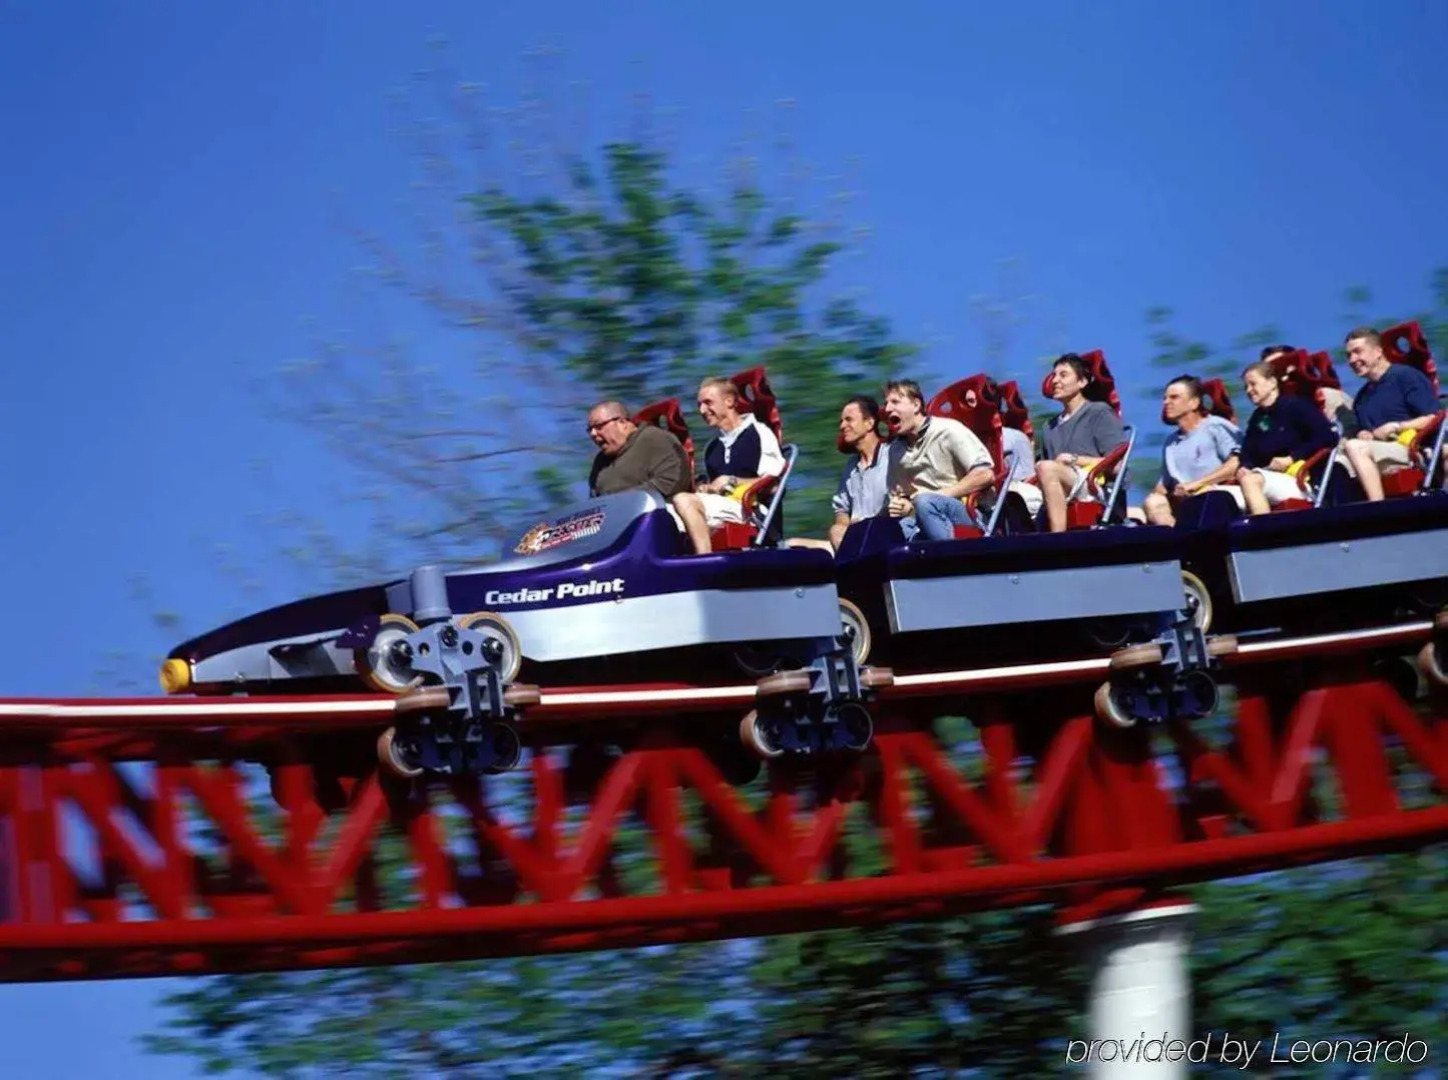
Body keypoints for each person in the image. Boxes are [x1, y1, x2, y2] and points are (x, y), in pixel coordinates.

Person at [671, 377, 787, 554]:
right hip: (723, 508)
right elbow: (716, 490)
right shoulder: (712, 447)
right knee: (663, 513)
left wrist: (731, 481)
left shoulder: (759, 433)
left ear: (730, 401)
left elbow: (774, 486)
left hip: (751, 511)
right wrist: (708, 488)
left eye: (708, 403)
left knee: (683, 500)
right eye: (699, 405)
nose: (702, 410)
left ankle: (704, 562)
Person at [881, 378, 994, 541]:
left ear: (916, 405)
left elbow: (985, 474)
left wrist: (938, 496)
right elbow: (901, 496)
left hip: (971, 514)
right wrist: (900, 505)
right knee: (887, 532)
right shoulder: (895, 451)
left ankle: (948, 559)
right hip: (921, 517)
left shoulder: (948, 430)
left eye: (895, 402)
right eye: (886, 404)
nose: (887, 408)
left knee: (926, 502)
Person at [1338, 326, 1440, 502]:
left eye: (1357, 352)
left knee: (1356, 447)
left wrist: (1397, 426)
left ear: (1378, 351)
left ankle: (1376, 508)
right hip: (1377, 452)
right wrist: (1364, 433)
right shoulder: (1361, 398)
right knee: (1337, 461)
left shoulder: (1405, 376)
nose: (1352, 360)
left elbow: (1434, 417)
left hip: (1409, 449)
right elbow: (1365, 434)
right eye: (1349, 355)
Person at [786, 395, 899, 553]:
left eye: (849, 419)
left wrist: (864, 526)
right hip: (853, 540)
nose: (842, 426)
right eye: (841, 421)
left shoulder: (892, 455)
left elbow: (901, 502)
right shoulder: (852, 466)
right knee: (791, 545)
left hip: (886, 537)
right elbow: (842, 510)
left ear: (869, 423)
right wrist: (842, 528)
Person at [1035, 353, 1127, 532]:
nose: (1054, 380)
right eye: (1053, 375)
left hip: (1095, 487)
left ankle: (1056, 540)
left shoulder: (1098, 412)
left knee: (1046, 468)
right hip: (1061, 487)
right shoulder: (1049, 426)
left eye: (1063, 375)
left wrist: (1073, 459)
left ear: (1082, 382)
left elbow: (1118, 466)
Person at [1235, 361, 1337, 515]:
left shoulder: (1296, 406)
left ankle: (1261, 534)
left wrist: (1292, 458)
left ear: (1272, 382)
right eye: (1246, 387)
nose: (1249, 390)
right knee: (1220, 495)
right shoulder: (1257, 419)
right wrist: (1244, 467)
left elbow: (1327, 436)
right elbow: (1247, 454)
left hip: (1300, 478)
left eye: (1253, 384)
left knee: (1251, 481)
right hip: (1268, 477)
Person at [1141, 375, 1243, 525]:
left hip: (1219, 496)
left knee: (1207, 499)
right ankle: (1176, 539)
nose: (1166, 402)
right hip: (1187, 503)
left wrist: (1196, 484)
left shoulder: (1216, 427)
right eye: (1165, 398)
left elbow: (1236, 463)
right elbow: (1164, 484)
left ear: (1194, 402)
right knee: (1153, 502)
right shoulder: (1171, 443)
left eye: (1174, 397)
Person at [587, 399, 692, 501]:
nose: (593, 434)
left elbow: (672, 482)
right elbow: (594, 499)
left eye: (599, 426)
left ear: (622, 422)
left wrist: (622, 501)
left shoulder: (654, 438)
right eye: (590, 430)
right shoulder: (600, 461)